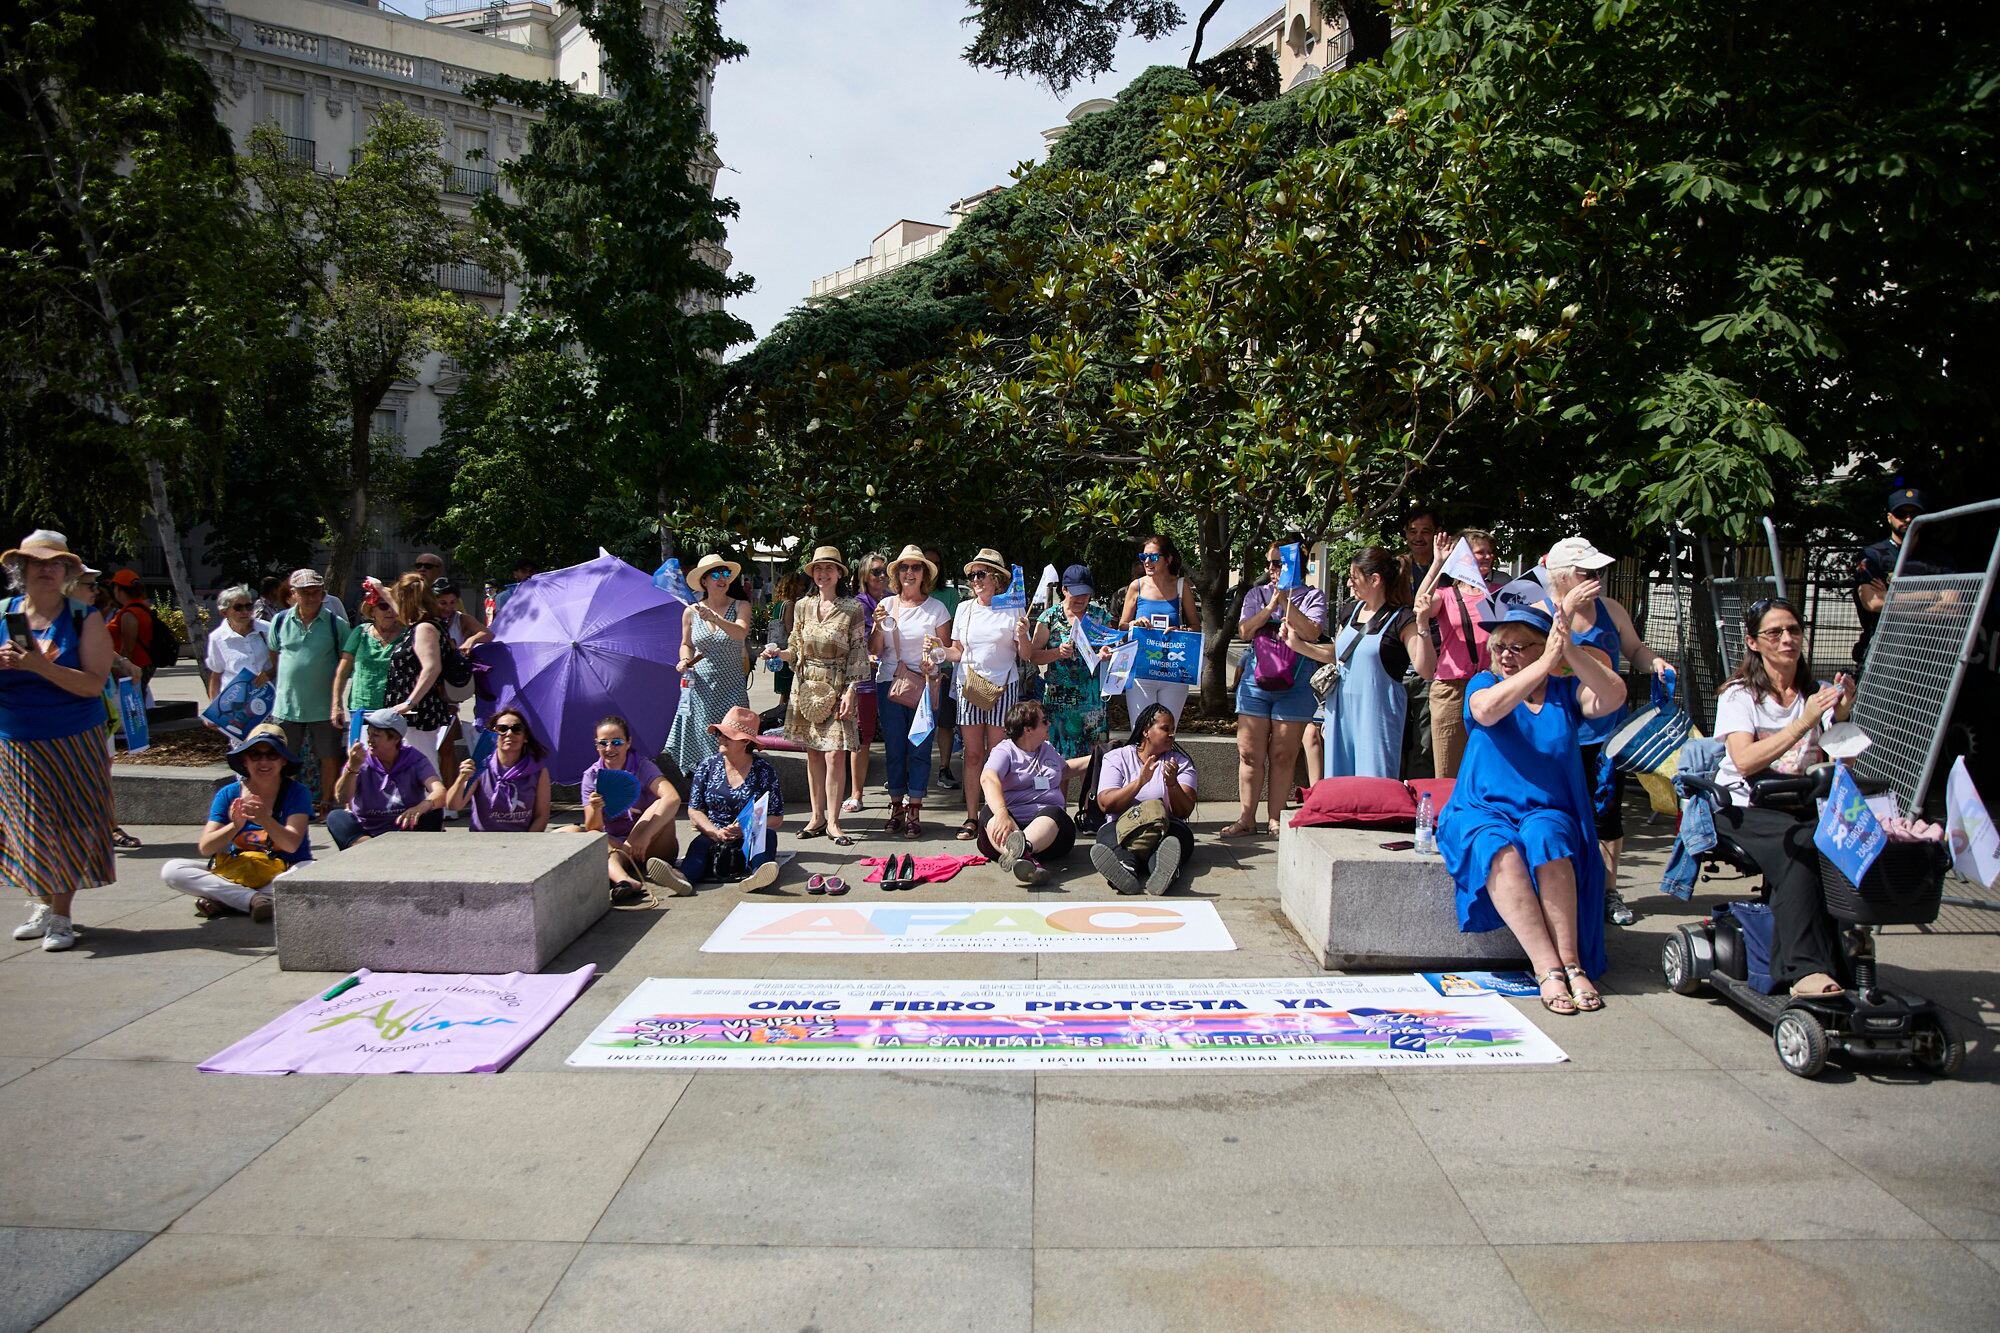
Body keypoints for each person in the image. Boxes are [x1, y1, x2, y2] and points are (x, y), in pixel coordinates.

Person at [1439, 594, 1627, 1016]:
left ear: (1544, 646)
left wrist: (1569, 650)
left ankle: (1572, 963)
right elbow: (1486, 713)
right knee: (1496, 846)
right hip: (1482, 807)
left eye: (1518, 646)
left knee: (1549, 838)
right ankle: (1547, 969)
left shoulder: (1564, 693)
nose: (1505, 654)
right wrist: (1543, 662)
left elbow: (1613, 697)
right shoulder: (1483, 685)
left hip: (1545, 808)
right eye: (1500, 646)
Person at [1713, 597, 1857, 997]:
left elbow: (1840, 756)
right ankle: (1803, 968)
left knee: (1846, 841)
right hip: (1744, 806)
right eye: (1774, 633)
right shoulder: (1739, 695)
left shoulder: (1817, 693)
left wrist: (1841, 715)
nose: (1786, 639)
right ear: (1753, 642)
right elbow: (1743, 761)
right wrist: (1806, 720)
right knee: (1801, 845)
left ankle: (1844, 952)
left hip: (1803, 803)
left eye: (1793, 630)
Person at [1539, 535, 1673, 927]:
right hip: (1557, 732)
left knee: (1607, 813)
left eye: (1599, 571)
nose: (1596, 578)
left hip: (1605, 733)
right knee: (1555, 812)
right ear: (1561, 576)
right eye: (1586, 571)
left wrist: (1655, 662)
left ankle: (1607, 891)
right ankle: (1559, 892)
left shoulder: (1611, 610)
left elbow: (1634, 649)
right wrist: (1563, 611)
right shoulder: (1540, 611)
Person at [2, 530, 116, 952]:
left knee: (69, 825)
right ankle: (43, 904)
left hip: (71, 738)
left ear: (67, 572)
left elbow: (92, 685)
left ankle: (62, 916)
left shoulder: (84, 617)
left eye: (56, 564)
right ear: (22, 570)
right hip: (16, 738)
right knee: (26, 828)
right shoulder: (3, 613)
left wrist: (36, 666)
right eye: (37, 562)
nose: (46, 569)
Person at [1286, 546, 1435, 779]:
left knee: (1374, 784)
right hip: (1341, 713)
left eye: (1354, 577)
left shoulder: (1402, 619)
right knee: (1341, 783)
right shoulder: (1350, 610)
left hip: (1377, 717)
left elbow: (1425, 669)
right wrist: (1299, 646)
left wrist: (1423, 625)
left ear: (1374, 580)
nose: (1348, 583)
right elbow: (1339, 654)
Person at [161, 723, 314, 921]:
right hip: (238, 871)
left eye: (272, 755)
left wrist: (265, 820)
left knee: (310, 872)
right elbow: (206, 847)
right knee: (172, 870)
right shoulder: (229, 793)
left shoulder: (297, 792)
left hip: (282, 872)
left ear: (283, 760)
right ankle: (252, 900)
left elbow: (291, 845)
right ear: (245, 760)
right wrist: (235, 826)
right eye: (255, 755)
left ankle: (228, 900)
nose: (263, 762)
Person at [767, 545, 868, 845]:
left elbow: (859, 653)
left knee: (836, 754)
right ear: (813, 574)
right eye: (818, 569)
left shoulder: (852, 608)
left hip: (838, 686)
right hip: (806, 686)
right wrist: (777, 653)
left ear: (839, 573)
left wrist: (852, 690)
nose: (823, 573)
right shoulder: (801, 606)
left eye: (829, 568)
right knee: (813, 752)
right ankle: (817, 817)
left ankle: (834, 822)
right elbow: (794, 649)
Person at [1225, 542, 1327, 837]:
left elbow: (1311, 632)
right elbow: (1244, 631)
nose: (1271, 570)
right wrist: (1270, 605)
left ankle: (1275, 818)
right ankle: (1246, 818)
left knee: (1283, 754)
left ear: (1297, 566)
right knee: (1249, 753)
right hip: (1255, 684)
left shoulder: (1313, 597)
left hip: (1294, 686)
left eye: (1278, 564)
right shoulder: (1256, 594)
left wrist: (1286, 602)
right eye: (1269, 564)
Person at [942, 547, 1034, 842]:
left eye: (981, 574)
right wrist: (936, 650)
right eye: (972, 575)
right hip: (970, 688)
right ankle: (971, 816)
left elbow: (1027, 654)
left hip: (1004, 688)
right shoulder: (964, 609)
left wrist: (1023, 633)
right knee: (972, 755)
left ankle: (994, 816)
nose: (975, 580)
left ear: (996, 578)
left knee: (997, 756)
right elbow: (956, 651)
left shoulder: (1014, 608)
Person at [562, 714, 690, 900]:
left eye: (617, 742)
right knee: (583, 835)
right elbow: (594, 828)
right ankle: (625, 881)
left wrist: (645, 836)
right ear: (596, 744)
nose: (609, 748)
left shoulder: (642, 766)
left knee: (659, 803)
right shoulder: (591, 776)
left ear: (628, 742)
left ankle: (631, 870)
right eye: (603, 743)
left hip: (653, 845)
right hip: (618, 848)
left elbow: (672, 798)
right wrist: (596, 808)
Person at [871, 545, 951, 837]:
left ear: (923, 574)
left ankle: (914, 807)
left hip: (925, 684)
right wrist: (878, 627)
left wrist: (934, 658)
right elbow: (875, 651)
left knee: (919, 747)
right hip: (890, 683)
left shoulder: (937, 609)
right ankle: (896, 807)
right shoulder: (887, 605)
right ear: (897, 573)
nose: (909, 572)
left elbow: (946, 651)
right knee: (894, 747)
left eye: (915, 567)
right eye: (904, 567)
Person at [1412, 529, 1505, 779]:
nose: (1488, 556)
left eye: (1490, 552)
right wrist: (1439, 562)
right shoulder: (1447, 595)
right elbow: (1421, 603)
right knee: (1449, 767)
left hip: (1491, 685)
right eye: (1480, 552)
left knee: (1490, 763)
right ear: (1464, 557)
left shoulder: (1499, 593)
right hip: (1451, 688)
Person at [1090, 703, 1199, 895]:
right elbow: (1106, 804)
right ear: (1146, 731)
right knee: (1107, 835)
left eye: (1173, 730)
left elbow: (1185, 810)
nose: (1171, 735)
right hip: (1121, 827)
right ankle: (1126, 870)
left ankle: (1162, 872)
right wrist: (1139, 782)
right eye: (1165, 729)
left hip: (1166, 827)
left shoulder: (1180, 762)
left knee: (1178, 838)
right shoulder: (1117, 757)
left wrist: (1173, 785)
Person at [979, 701, 1090, 885]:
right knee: (988, 812)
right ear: (1028, 729)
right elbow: (988, 778)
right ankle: (1023, 856)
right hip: (1007, 827)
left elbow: (1065, 770)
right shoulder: (1005, 750)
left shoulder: (1047, 748)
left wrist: (1099, 757)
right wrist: (1001, 814)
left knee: (1054, 812)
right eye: (1044, 721)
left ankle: (1021, 851)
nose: (1049, 724)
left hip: (1050, 835)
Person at [266, 567, 349, 814]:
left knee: (329, 756)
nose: (312, 597)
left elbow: (347, 662)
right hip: (287, 705)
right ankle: (287, 806)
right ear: (294, 593)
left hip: (323, 705)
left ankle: (326, 803)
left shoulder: (336, 624)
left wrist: (337, 701)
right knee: (283, 759)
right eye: (305, 592)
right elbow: (274, 656)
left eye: (316, 592)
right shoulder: (280, 621)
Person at [666, 553, 752, 778]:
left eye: (725, 573)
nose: (722, 578)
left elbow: (740, 632)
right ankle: (707, 793)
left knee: (735, 742)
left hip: (732, 688)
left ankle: (735, 791)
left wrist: (715, 618)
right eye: (716, 574)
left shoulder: (741, 605)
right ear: (704, 581)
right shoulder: (691, 612)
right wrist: (684, 660)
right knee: (705, 743)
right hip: (702, 690)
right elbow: (686, 644)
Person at [680, 705, 785, 891]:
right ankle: (682, 879)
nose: (720, 738)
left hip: (751, 832)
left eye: (727, 735)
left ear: (745, 741)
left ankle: (758, 876)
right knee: (700, 846)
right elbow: (694, 809)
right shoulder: (707, 766)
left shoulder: (764, 771)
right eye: (719, 734)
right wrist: (714, 831)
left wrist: (747, 828)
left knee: (767, 836)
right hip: (714, 831)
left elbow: (776, 817)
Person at [1852, 485, 1957, 668]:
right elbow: (1873, 602)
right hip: (1885, 654)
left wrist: (1891, 599)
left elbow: (1952, 607)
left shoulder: (1940, 559)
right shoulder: (1872, 555)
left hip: (1931, 656)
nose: (1908, 519)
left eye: (1915, 514)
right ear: (1890, 517)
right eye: (1901, 513)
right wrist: (1928, 596)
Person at [325, 709, 446, 849]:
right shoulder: (359, 760)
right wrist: (352, 769)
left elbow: (440, 792)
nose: (369, 740)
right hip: (368, 831)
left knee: (433, 811)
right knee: (336, 817)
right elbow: (342, 798)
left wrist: (420, 807)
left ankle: (379, 848)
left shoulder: (414, 759)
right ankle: (374, 847)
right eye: (369, 734)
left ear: (395, 739)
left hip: (406, 828)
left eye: (376, 735)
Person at [1025, 564, 1111, 760]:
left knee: (1093, 761)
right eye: (1076, 593)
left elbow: (1114, 647)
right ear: (1064, 590)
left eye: (1086, 594)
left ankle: (1089, 793)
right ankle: (1057, 793)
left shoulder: (1100, 616)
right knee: (1058, 759)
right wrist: (1056, 653)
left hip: (1093, 700)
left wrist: (1108, 653)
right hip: (1059, 701)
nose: (1081, 599)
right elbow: (1033, 655)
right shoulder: (1050, 617)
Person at [1114, 534, 1200, 722]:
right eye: (1143, 557)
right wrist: (1133, 625)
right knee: (1141, 730)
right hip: (1141, 670)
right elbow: (1122, 626)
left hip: (1173, 671)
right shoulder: (1136, 586)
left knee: (1166, 732)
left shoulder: (1181, 586)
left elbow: (1196, 627)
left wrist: (1182, 630)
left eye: (1153, 557)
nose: (1147, 562)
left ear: (1168, 559)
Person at [380, 573, 457, 772]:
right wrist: (379, 588)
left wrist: (408, 703)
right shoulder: (420, 625)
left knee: (424, 769)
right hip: (412, 715)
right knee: (411, 769)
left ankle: (435, 804)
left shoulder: (425, 628)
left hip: (418, 715)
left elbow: (432, 667)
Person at [444, 706, 551, 834]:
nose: (509, 733)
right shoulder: (481, 765)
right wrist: (461, 779)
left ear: (525, 737)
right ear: (493, 735)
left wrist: (525, 844)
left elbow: (541, 816)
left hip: (522, 840)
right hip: (484, 840)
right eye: (502, 729)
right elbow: (454, 805)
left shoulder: (538, 770)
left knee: (573, 830)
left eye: (517, 729)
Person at [844, 551, 890, 814]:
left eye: (884, 571)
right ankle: (857, 794)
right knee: (863, 737)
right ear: (863, 575)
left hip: (894, 677)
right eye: (875, 571)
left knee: (898, 735)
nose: (881, 576)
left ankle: (901, 792)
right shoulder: (859, 605)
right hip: (866, 681)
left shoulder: (893, 601)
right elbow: (858, 645)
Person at [332, 581, 404, 743]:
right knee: (360, 757)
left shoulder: (407, 635)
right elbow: (342, 671)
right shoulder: (360, 632)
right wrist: (336, 705)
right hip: (361, 708)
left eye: (393, 606)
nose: (390, 611)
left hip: (394, 710)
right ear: (372, 611)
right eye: (383, 606)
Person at [201, 585, 273, 724]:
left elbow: (282, 662)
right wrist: (214, 712)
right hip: (238, 708)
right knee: (243, 746)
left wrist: (268, 674)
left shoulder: (267, 629)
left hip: (269, 701)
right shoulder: (218, 637)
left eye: (248, 606)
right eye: (238, 607)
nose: (245, 611)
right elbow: (216, 675)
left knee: (272, 743)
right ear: (224, 612)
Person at [923, 547, 963, 789]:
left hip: (944, 668)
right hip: (916, 672)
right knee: (917, 723)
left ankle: (944, 768)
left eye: (936, 563)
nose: (931, 568)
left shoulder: (950, 596)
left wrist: (946, 664)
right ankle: (907, 770)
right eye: (925, 563)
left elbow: (952, 639)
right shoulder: (905, 596)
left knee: (945, 723)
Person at [104, 569, 159, 691]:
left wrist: (121, 669)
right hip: (142, 666)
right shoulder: (142, 608)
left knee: (130, 706)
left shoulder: (130, 613)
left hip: (133, 668)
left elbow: (128, 649)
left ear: (118, 589)